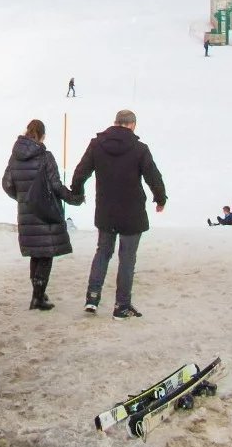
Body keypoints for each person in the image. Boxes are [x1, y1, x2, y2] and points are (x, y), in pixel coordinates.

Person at [70, 110, 167, 318]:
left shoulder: (97, 144)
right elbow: (153, 176)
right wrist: (160, 199)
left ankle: (92, 298)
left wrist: (77, 192)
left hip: (106, 209)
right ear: (132, 125)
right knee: (127, 258)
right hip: (132, 212)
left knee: (103, 252)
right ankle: (121, 306)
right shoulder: (139, 149)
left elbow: (80, 172)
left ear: (115, 122)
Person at [1, 118, 82, 310]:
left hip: (26, 212)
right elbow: (55, 185)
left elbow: (7, 184)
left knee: (35, 254)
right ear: (42, 136)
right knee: (45, 254)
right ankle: (37, 298)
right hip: (45, 211)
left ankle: (38, 293)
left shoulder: (15, 157)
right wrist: (74, 198)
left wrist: (24, 198)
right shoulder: (45, 157)